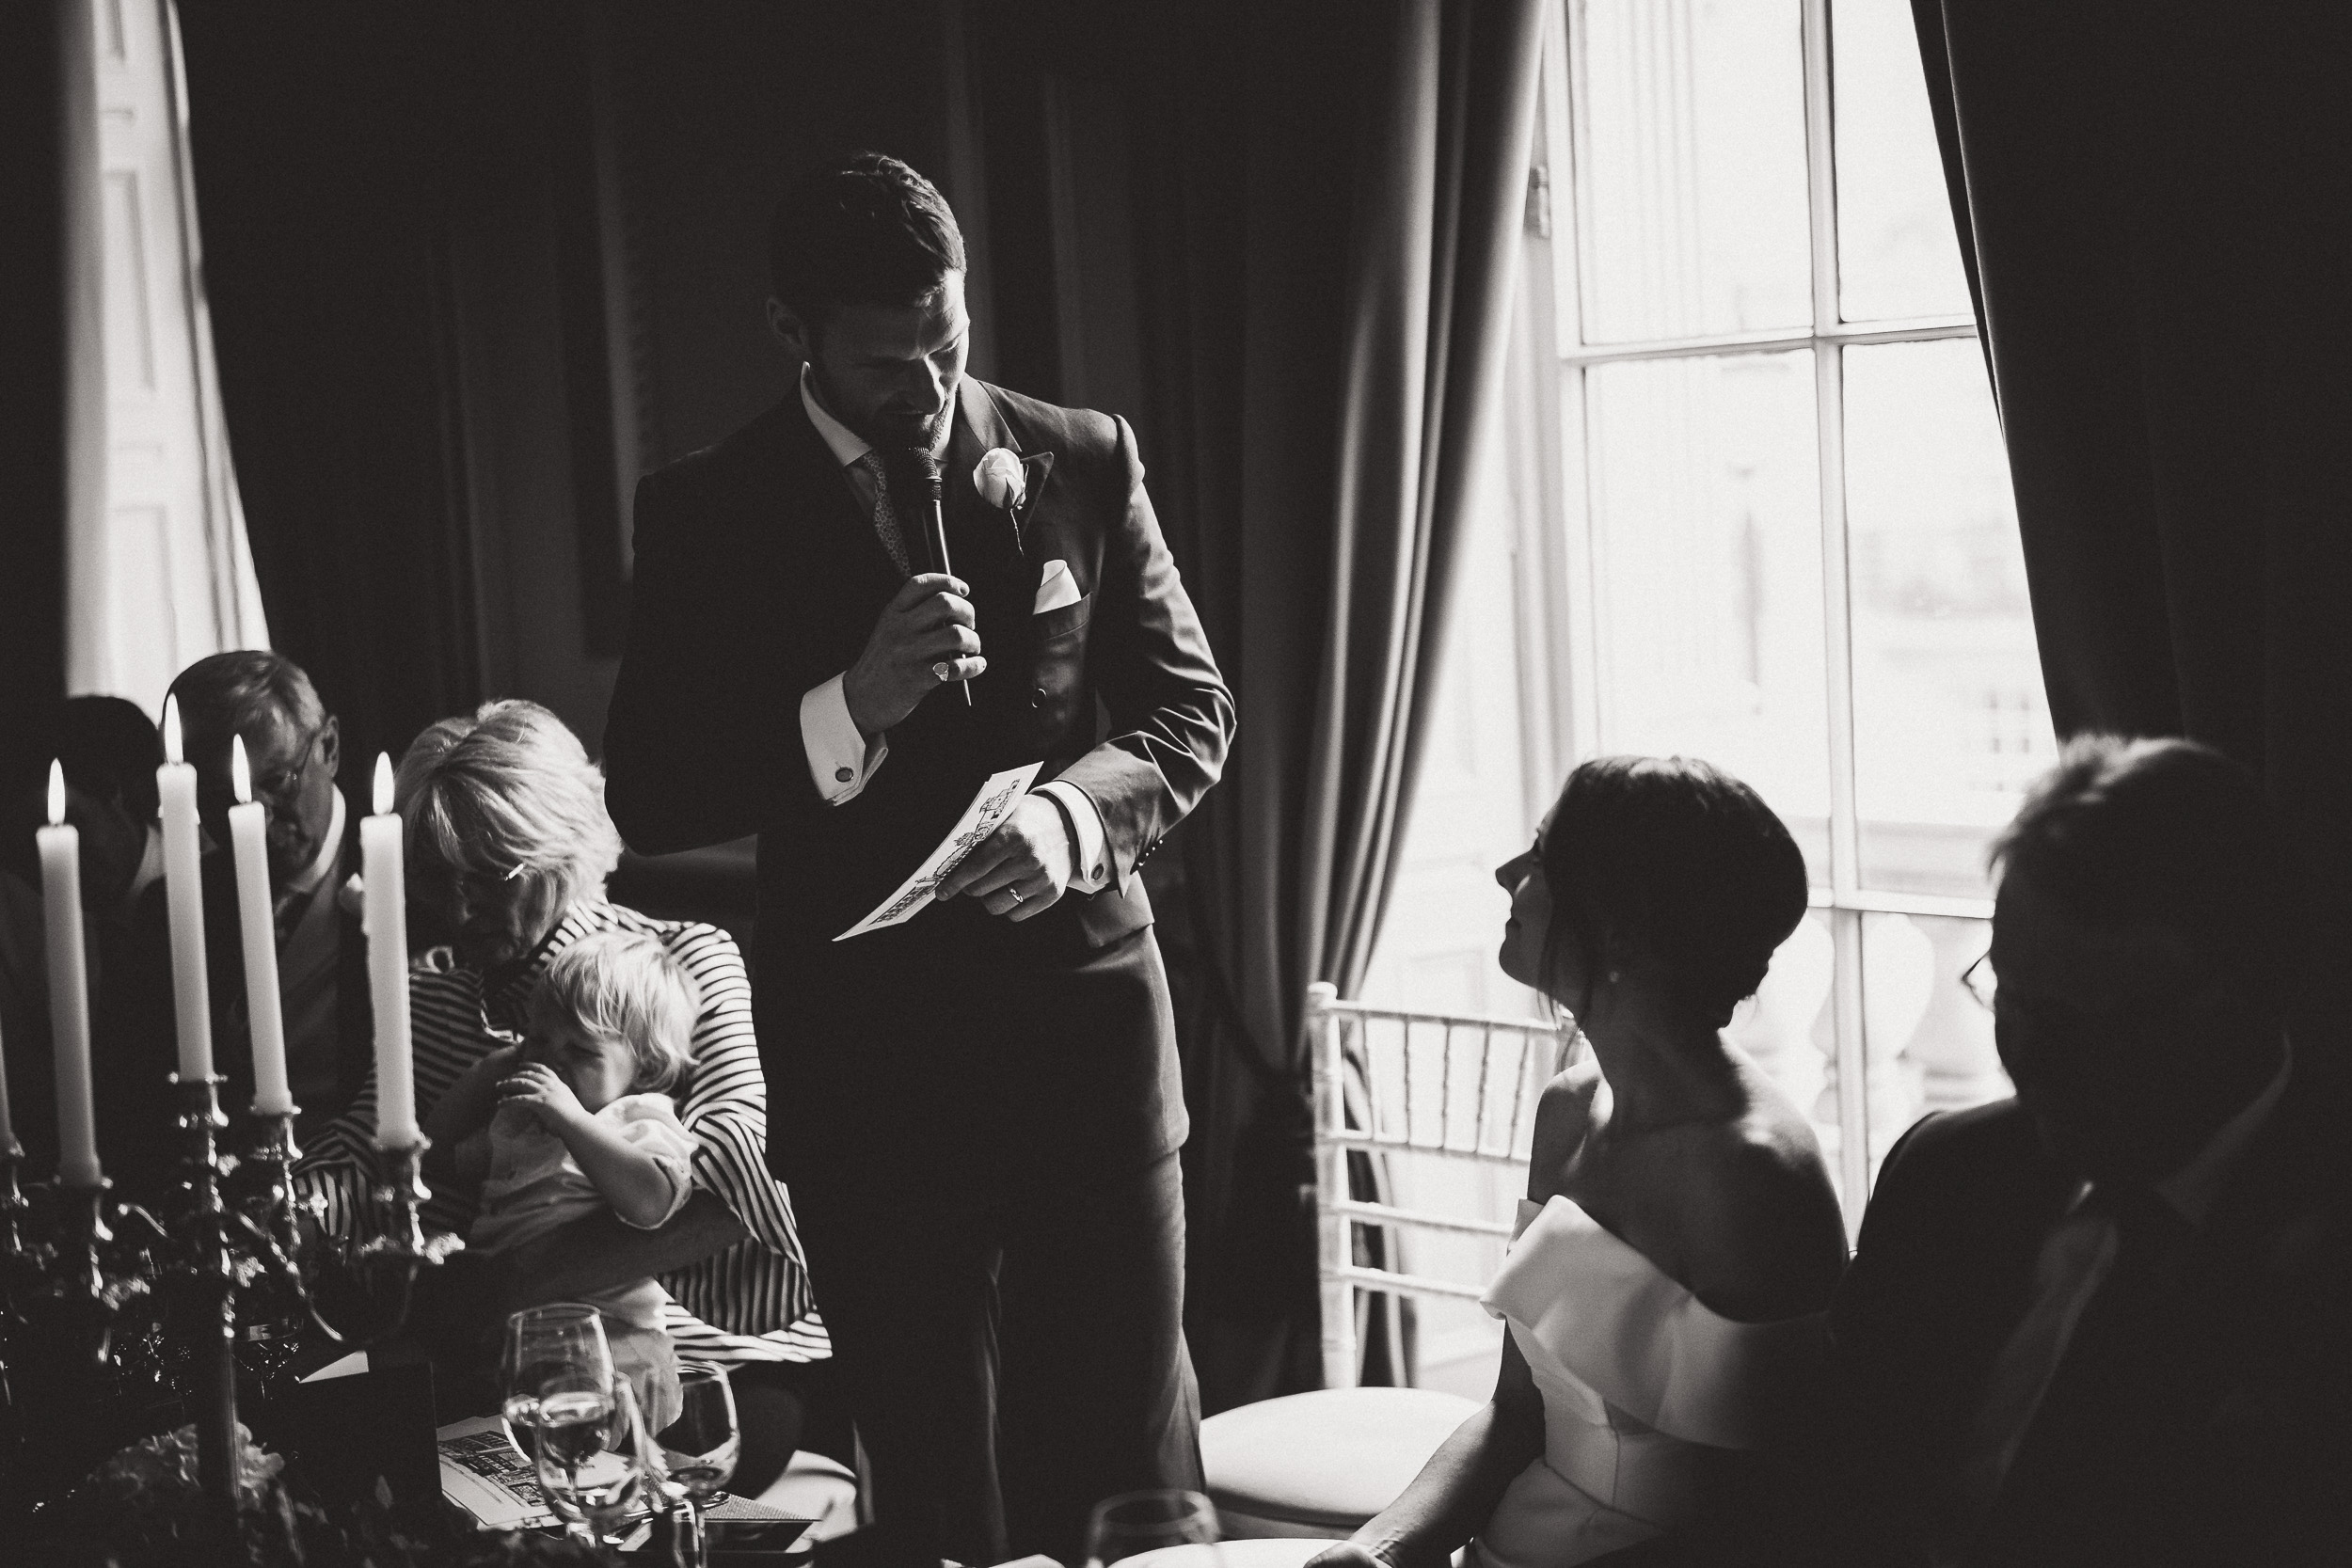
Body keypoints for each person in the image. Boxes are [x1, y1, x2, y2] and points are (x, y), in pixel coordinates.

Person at [601, 151, 1233, 1565]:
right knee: (936, 1474)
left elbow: (1191, 709)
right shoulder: (705, 508)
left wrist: (1075, 822)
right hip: (873, 1073)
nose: (933, 391)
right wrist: (846, 709)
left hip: (1087, 1039)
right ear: (792, 333)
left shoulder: (1081, 453)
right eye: (892, 364)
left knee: (1127, 1454)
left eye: (948, 344)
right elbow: (646, 788)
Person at [1801, 736, 2349, 1566]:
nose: (2030, 1056)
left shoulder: (2324, 1251)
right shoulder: (1944, 1174)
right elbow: (1834, 1481)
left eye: (2091, 1020)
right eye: (2011, 996)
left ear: (2248, 992)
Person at [1310, 756, 1847, 1568]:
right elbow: (1515, 1414)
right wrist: (1375, 1550)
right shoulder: (1565, 1112)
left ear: (1623, 929)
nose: (1506, 874)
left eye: (1541, 856)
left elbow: (1786, 1516)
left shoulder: (1753, 1175)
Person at [296, 699, 836, 1493]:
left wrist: (512, 1282)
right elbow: (366, 1157)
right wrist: (282, 1210)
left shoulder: (682, 960)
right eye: (436, 879)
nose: (458, 908)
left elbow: (755, 1176)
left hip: (699, 1362)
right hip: (483, 1357)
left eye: (488, 877)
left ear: (559, 852)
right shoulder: (431, 991)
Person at [424, 928, 703, 1433]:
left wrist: (574, 1121)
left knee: (586, 1437)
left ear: (647, 1068)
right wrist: (498, 1065)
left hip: (614, 1336)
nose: (552, 1062)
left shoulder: (638, 1116)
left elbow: (652, 1202)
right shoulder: (520, 1124)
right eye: (540, 1041)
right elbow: (434, 1156)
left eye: (580, 1051)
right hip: (513, 1330)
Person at [119, 652, 371, 1149]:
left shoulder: (416, 882)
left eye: (277, 781)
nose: (255, 815)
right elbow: (135, 1102)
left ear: (330, 747)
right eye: (221, 797)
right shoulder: (171, 912)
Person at [0, 697, 165, 1182]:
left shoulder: (212, 888)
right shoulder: (28, 934)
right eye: (17, 847)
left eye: (55, 826)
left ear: (115, 794)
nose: (44, 862)